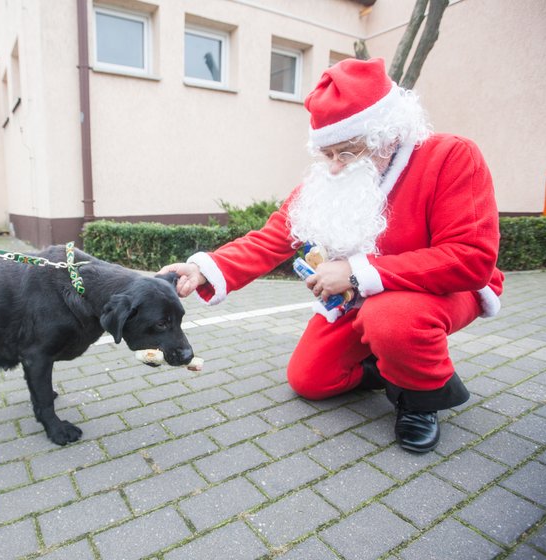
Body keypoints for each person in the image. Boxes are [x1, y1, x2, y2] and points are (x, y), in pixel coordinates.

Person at [160, 57, 503, 453]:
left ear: (386, 136)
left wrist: (357, 273)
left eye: (345, 152)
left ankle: (420, 400)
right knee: (309, 379)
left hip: (446, 291)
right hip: (364, 298)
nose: (334, 167)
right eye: (327, 154)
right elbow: (273, 237)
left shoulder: (451, 156)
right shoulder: (329, 178)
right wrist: (205, 268)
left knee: (390, 319)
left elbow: (471, 257)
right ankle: (393, 361)